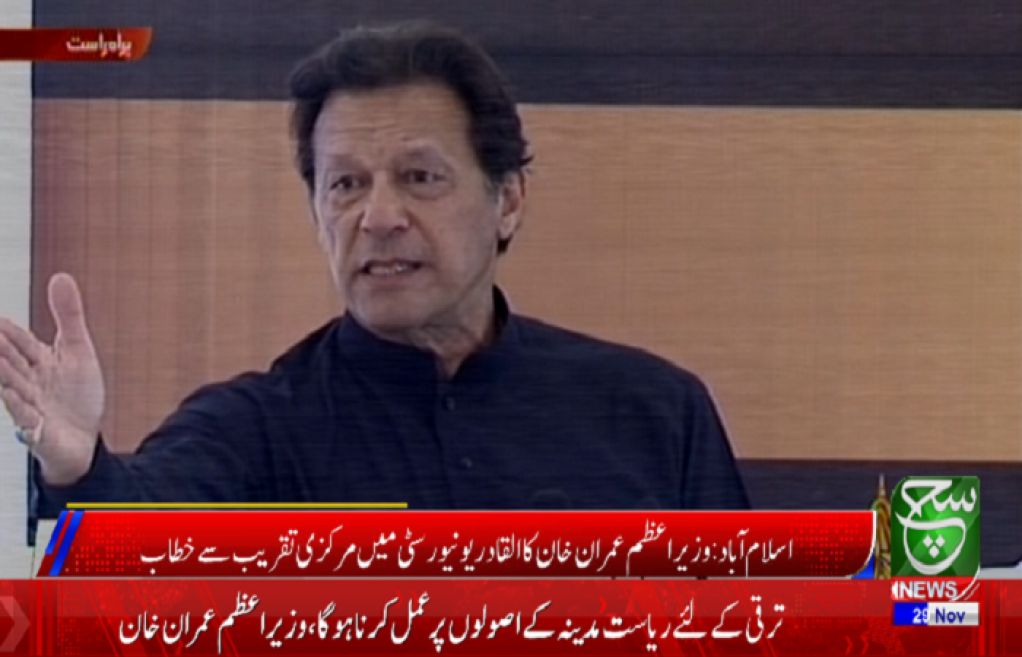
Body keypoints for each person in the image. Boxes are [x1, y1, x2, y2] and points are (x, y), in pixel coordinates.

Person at [0, 22, 748, 510]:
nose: (378, 216)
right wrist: (78, 468)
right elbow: (138, 535)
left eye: (420, 177)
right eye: (346, 184)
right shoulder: (257, 430)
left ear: (508, 200)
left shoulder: (653, 412)